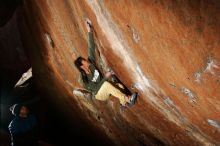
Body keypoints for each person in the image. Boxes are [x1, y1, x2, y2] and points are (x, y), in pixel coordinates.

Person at [74, 21, 138, 107]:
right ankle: (128, 99)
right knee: (107, 85)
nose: (87, 60)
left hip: (105, 86)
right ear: (82, 66)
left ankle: (124, 103)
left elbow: (91, 47)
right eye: (84, 61)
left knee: (120, 86)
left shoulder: (91, 62)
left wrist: (89, 31)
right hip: (99, 94)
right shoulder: (83, 79)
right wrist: (106, 77)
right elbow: (96, 89)